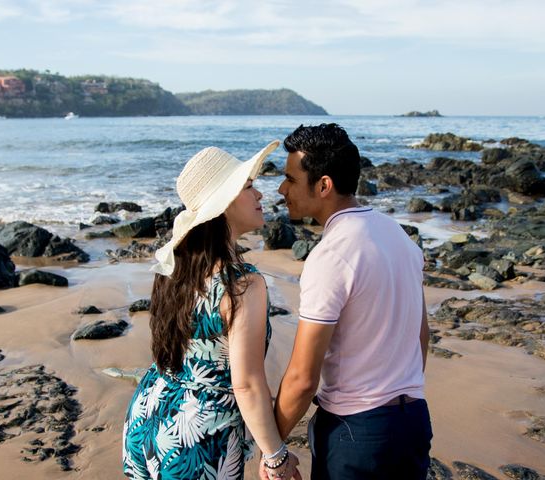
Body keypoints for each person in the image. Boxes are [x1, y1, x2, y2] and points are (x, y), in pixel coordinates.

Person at [122, 141, 301, 480]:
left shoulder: (175, 268)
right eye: (248, 186)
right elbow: (246, 384)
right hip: (198, 436)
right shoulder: (243, 284)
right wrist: (275, 456)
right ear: (225, 203)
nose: (260, 195)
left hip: (149, 411)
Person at [270, 124, 432, 479]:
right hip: (413, 422)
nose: (281, 190)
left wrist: (273, 447)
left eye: (290, 179)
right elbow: (422, 337)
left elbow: (302, 377)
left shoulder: (331, 256)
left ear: (324, 185)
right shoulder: (399, 237)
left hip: (357, 431)